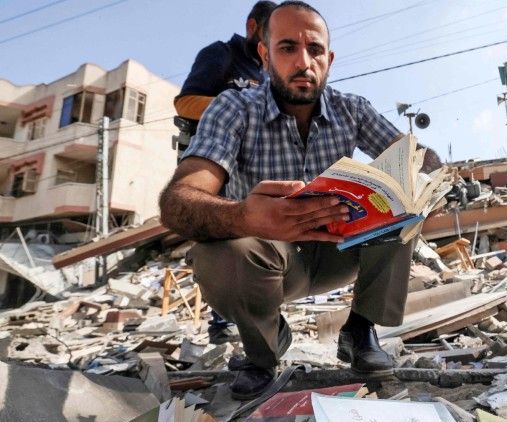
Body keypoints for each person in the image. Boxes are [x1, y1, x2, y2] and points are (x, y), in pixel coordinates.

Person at [159, 1, 440, 400]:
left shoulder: (352, 109)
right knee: (219, 255)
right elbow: (179, 200)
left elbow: (419, 156)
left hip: (340, 249)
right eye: (287, 48)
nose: (303, 62)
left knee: (405, 207)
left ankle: (360, 332)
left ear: (330, 58)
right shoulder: (233, 109)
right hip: (269, 258)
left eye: (315, 50)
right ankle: (265, 351)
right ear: (264, 54)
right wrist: (245, 217)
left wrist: (428, 177)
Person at [174, 1, 277, 344]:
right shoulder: (221, 53)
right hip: (212, 160)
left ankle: (256, 317)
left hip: (249, 162)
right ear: (252, 27)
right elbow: (185, 102)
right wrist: (236, 107)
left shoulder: (264, 71)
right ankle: (222, 325)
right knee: (220, 235)